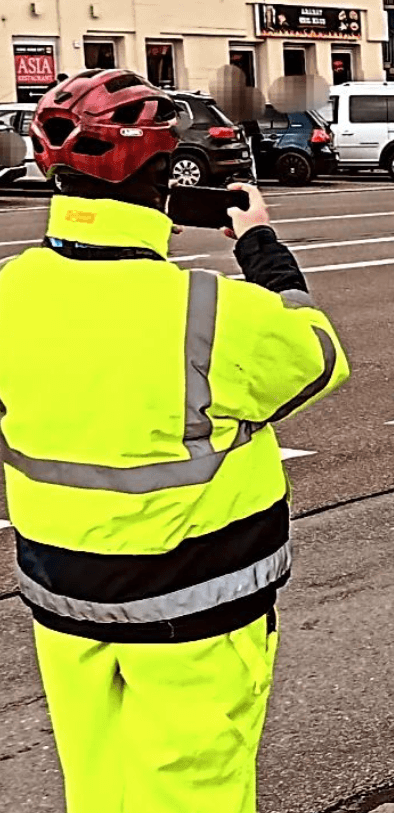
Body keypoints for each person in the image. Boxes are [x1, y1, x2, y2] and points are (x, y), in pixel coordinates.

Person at [0, 69, 349, 813]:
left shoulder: (10, 293)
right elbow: (316, 353)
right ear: (164, 176)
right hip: (193, 611)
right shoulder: (207, 309)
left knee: (98, 789)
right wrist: (260, 245)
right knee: (196, 794)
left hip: (64, 602)